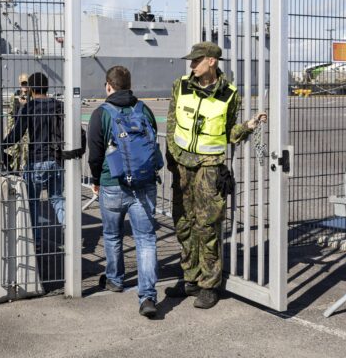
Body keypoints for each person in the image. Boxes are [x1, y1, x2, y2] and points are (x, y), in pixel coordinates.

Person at [165, 41, 267, 309]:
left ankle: (210, 285)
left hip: (209, 167)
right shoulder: (180, 86)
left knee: (207, 226)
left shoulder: (230, 94)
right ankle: (189, 278)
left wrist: (248, 126)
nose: (192, 66)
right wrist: (172, 159)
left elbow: (228, 132)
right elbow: (171, 125)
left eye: (196, 60)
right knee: (183, 223)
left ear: (211, 61)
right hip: (182, 165)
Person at [87, 65, 161, 318]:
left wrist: (96, 179)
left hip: (112, 183)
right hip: (144, 184)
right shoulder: (144, 109)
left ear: (108, 85)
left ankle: (115, 279)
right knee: (146, 239)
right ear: (130, 85)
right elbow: (153, 139)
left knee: (112, 234)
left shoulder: (101, 113)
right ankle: (147, 296)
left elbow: (95, 154)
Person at [2, 72, 64, 249]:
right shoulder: (58, 105)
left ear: (31, 88)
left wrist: (2, 144)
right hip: (57, 159)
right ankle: (71, 234)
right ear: (47, 87)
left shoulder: (29, 107)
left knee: (33, 201)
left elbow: (17, 133)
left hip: (36, 160)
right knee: (57, 199)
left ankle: (35, 240)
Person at [5, 73, 30, 172]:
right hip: (17, 126)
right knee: (15, 151)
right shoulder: (15, 96)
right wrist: (9, 128)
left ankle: (26, 173)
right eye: (23, 83)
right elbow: (11, 113)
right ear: (20, 84)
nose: (25, 86)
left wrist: (26, 104)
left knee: (26, 151)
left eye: (27, 83)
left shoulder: (32, 96)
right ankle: (14, 172)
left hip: (28, 128)